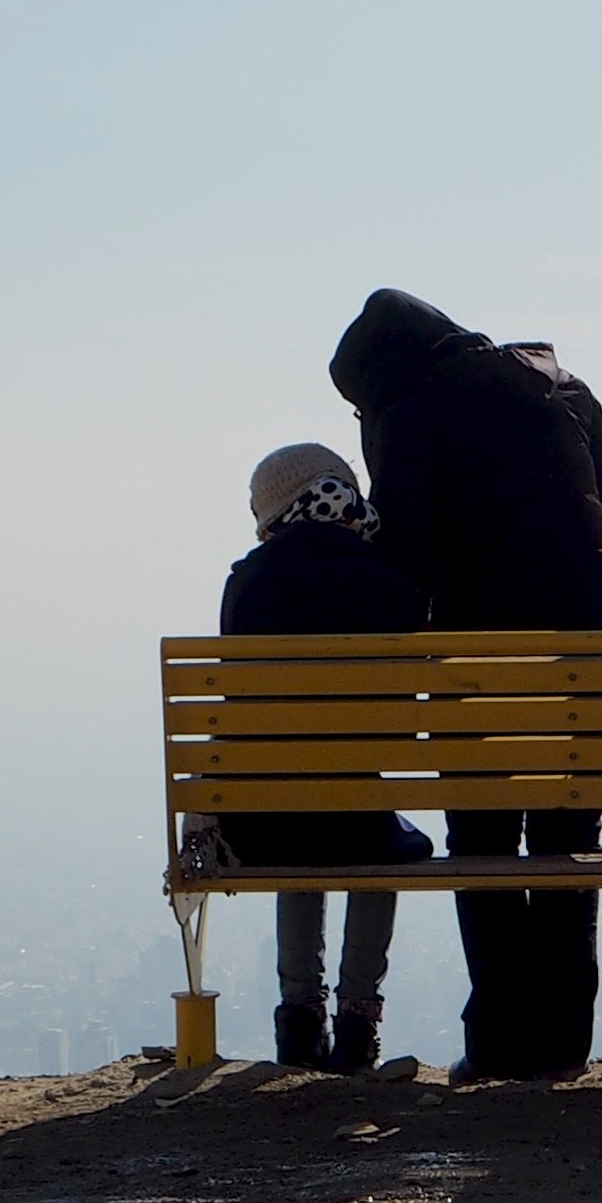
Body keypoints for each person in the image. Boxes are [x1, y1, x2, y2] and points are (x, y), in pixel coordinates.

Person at [329, 290, 602, 1084]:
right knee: (568, 837)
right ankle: (564, 1044)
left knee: (485, 836)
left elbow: (404, 549)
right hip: (597, 641)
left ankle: (500, 1042)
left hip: (483, 649)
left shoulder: (411, 412)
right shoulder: (557, 383)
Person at [217, 442, 434, 1074]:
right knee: (373, 832)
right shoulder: (392, 576)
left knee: (299, 821)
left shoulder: (246, 581)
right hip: (359, 817)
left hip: (267, 822)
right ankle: (359, 1019)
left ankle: (298, 1017)